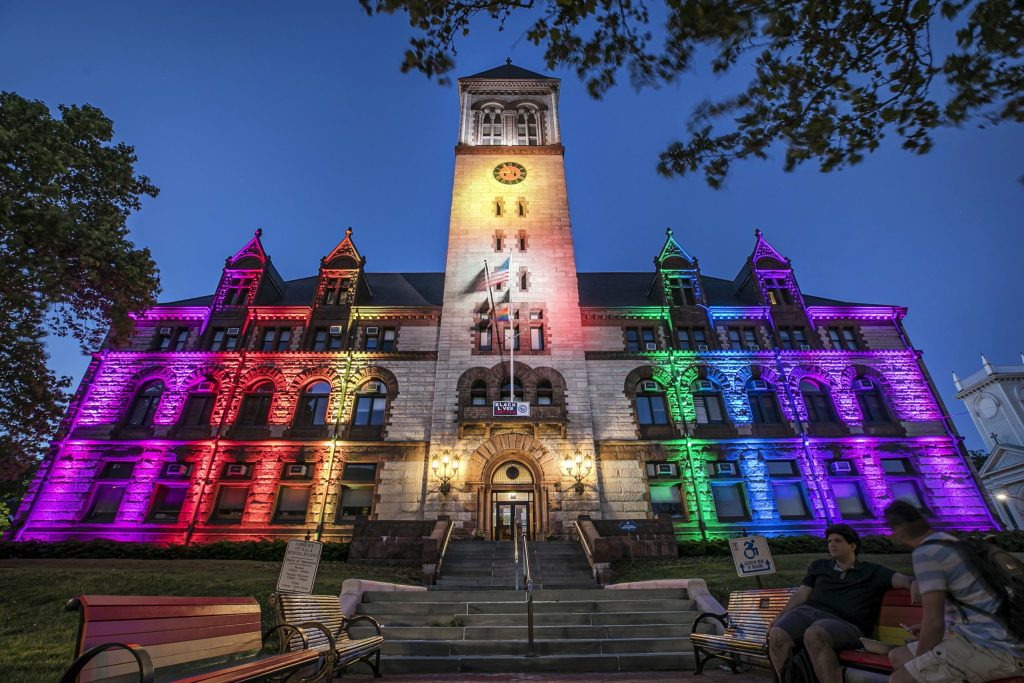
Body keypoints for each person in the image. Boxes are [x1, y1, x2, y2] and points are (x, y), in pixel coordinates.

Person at [884, 501, 1024, 683]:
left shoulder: (926, 554)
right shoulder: (949, 542)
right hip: (993, 634)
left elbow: (933, 623)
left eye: (892, 529)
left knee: (899, 679)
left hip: (997, 648)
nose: (891, 535)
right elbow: (972, 599)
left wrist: (920, 662)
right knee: (898, 656)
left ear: (901, 529)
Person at [768, 523, 918, 683]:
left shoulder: (872, 571)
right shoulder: (819, 566)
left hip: (844, 623)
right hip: (808, 612)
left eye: (838, 541)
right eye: (829, 541)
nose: (832, 544)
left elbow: (903, 579)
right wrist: (779, 617)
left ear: (852, 545)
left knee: (815, 634)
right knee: (777, 634)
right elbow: (801, 595)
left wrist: (913, 582)